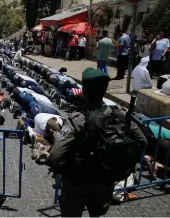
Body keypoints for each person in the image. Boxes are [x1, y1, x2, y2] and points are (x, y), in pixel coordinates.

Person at [48, 68, 147, 217]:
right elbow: (142, 141)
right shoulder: (118, 114)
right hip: (105, 180)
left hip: (77, 182)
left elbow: (55, 155)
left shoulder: (78, 119)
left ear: (85, 91)